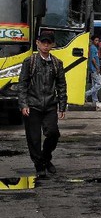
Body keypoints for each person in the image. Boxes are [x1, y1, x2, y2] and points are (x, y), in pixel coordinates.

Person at [17, 31, 67, 178]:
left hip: (50, 105)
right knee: (34, 138)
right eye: (43, 42)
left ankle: (46, 157)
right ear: (38, 43)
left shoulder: (57, 63)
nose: (45, 45)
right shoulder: (30, 62)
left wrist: (62, 106)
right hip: (32, 105)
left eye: (48, 43)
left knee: (53, 133)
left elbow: (61, 85)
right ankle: (39, 164)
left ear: (52, 45)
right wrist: (23, 104)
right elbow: (22, 84)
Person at [85, 35, 101, 104]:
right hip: (94, 68)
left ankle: (95, 100)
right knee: (99, 84)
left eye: (98, 40)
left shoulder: (95, 48)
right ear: (92, 41)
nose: (97, 42)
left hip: (94, 68)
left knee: (94, 84)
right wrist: (97, 67)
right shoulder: (92, 48)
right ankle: (86, 94)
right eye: (96, 40)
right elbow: (92, 59)